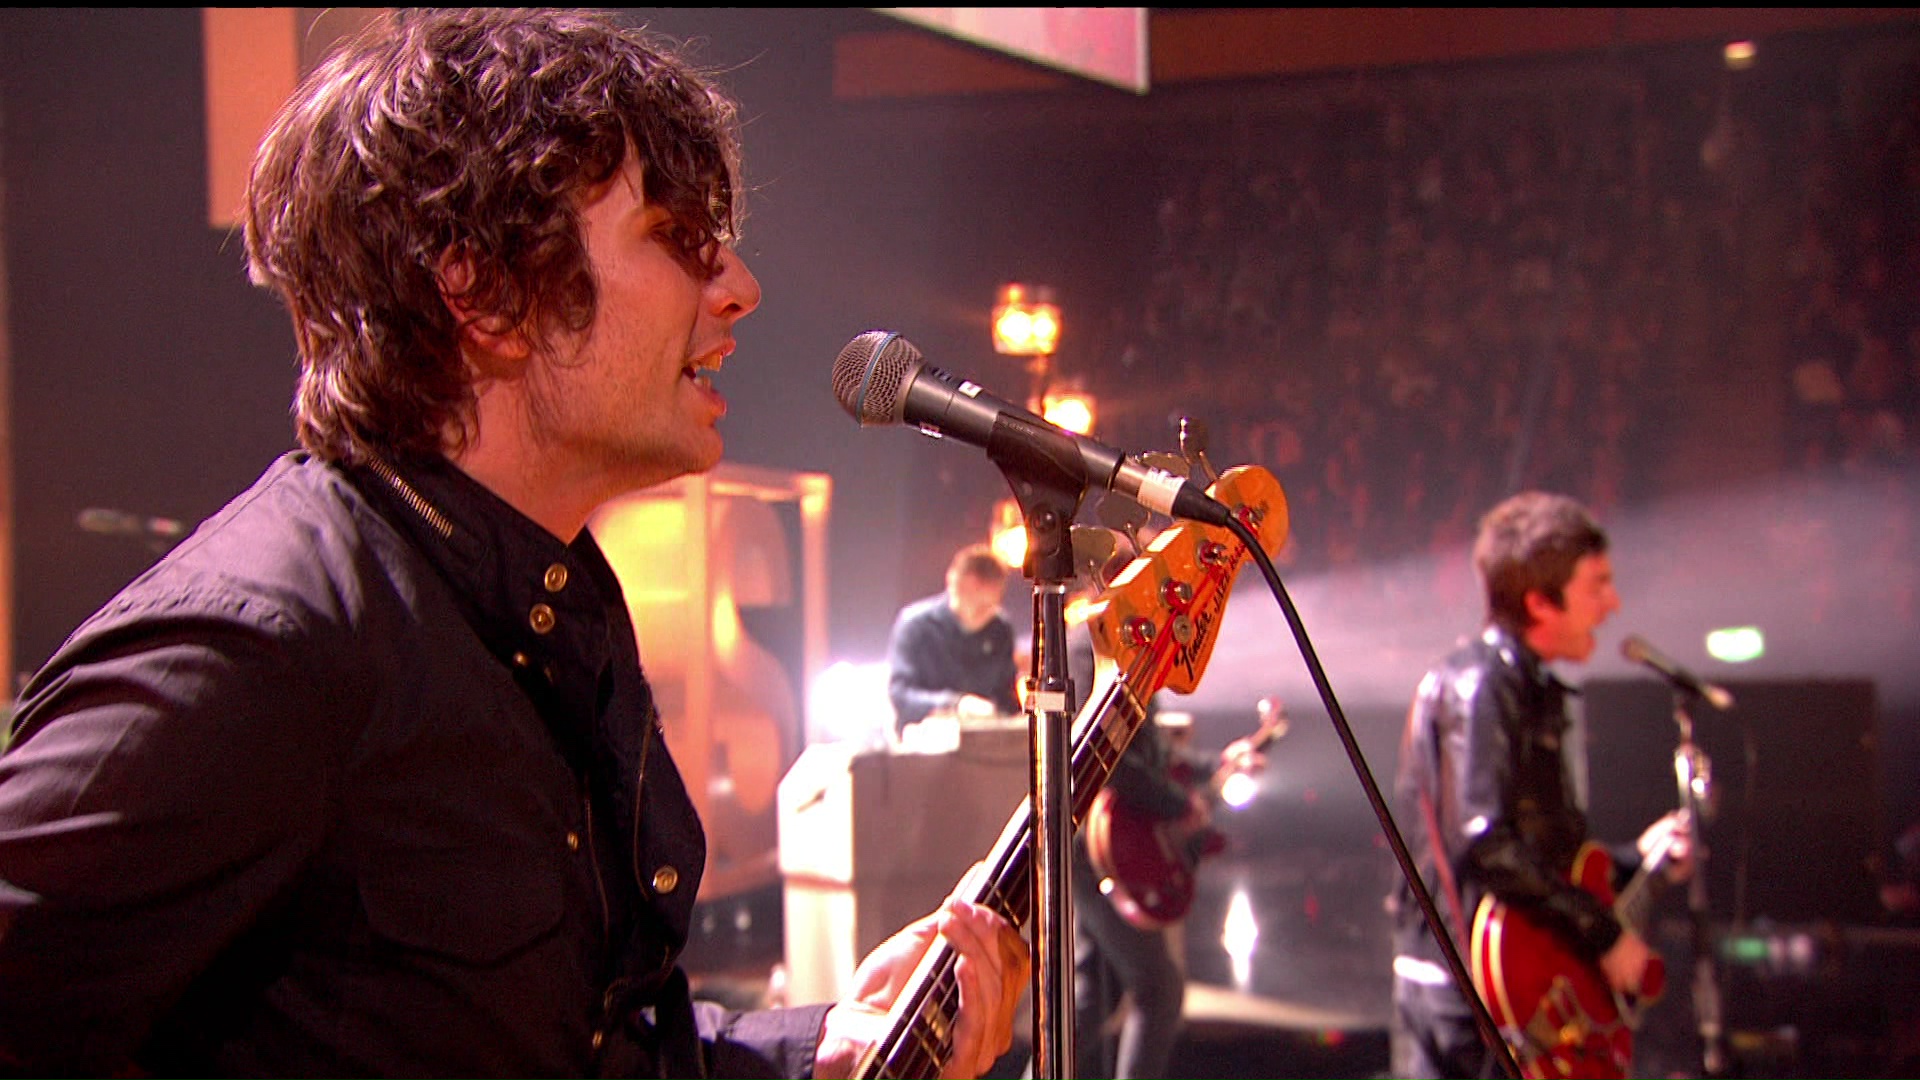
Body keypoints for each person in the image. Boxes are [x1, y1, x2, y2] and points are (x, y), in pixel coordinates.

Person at [0, 10, 1026, 1079]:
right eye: (674, 235)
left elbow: (581, 1048)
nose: (737, 286)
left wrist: (819, 1049)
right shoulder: (258, 651)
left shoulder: (541, 603)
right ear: (486, 294)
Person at [1390, 491, 1690, 1080]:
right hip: (1475, 991)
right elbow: (1484, 842)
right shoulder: (1484, 685)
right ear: (1539, 602)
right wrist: (1605, 934)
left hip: (1493, 979)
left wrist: (1635, 861)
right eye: (1597, 585)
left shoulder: (1519, 685)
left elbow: (1537, 854)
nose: (1612, 603)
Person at [1062, 571, 1265, 1080]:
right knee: (1159, 990)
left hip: (1104, 845)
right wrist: (1178, 804)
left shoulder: (1127, 643)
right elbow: (1104, 758)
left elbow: (1147, 750)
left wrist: (1215, 764)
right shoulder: (1091, 648)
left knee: (1094, 995)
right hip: (1098, 847)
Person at [885, 543, 1021, 737]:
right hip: (924, 742)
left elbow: (1007, 699)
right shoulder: (915, 625)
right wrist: (955, 704)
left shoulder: (1000, 629)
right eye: (978, 605)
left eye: (987, 606)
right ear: (955, 585)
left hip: (984, 743)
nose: (981, 614)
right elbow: (900, 694)